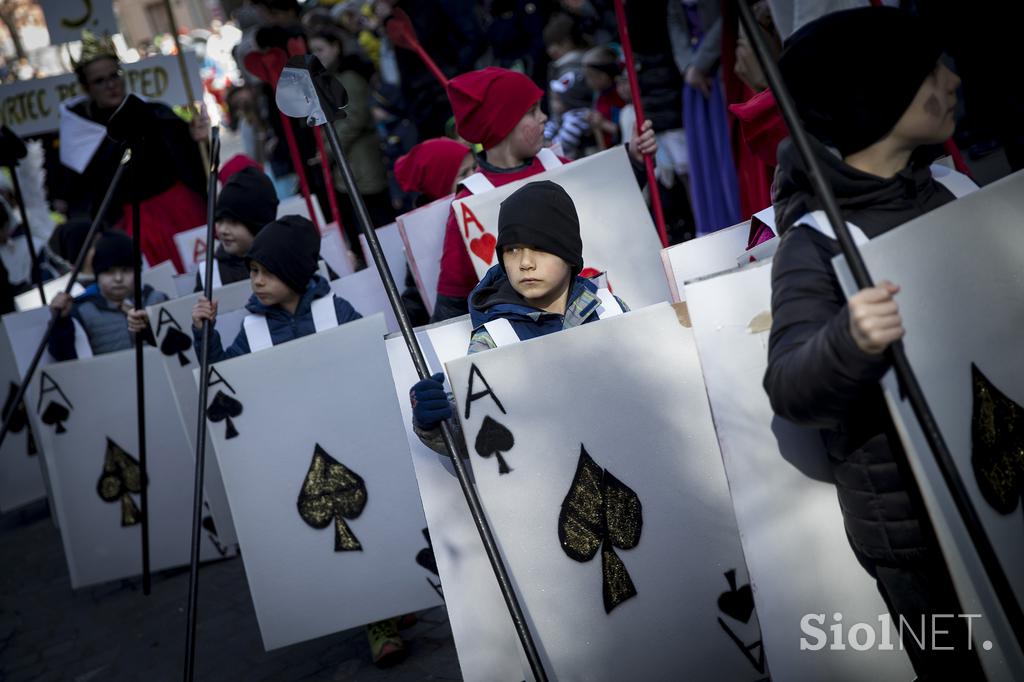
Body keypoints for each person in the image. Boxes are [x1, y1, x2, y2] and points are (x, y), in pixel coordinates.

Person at [763, 8, 982, 679]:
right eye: (927, 72)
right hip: (913, 534)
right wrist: (850, 340)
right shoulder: (816, 244)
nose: (951, 79)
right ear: (874, 100)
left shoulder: (949, 196)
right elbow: (790, 386)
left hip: (993, 479)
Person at [411, 180, 627, 450]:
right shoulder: (495, 340)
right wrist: (436, 423)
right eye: (512, 250)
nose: (525, 263)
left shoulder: (611, 309)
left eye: (539, 247)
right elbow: (475, 432)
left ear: (569, 254)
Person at [432, 66, 657, 322]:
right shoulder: (469, 202)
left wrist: (636, 163)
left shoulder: (557, 164)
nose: (543, 117)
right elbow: (451, 299)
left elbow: (606, 213)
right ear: (503, 125)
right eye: (531, 112)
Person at [55, 31, 209, 272]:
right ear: (86, 88)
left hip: (182, 210)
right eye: (99, 81)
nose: (111, 85)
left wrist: (198, 139)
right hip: (131, 227)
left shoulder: (156, 113)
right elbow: (82, 198)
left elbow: (196, 159)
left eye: (114, 75)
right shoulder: (80, 136)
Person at [191, 216, 360, 363]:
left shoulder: (338, 311)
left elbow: (373, 351)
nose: (257, 281)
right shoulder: (253, 328)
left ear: (295, 274)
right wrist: (204, 333)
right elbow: (225, 377)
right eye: (254, 270)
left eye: (269, 272)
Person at [309, 30, 393, 251]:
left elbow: (354, 119)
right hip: (348, 168)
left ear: (336, 46)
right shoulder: (328, 81)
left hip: (363, 164)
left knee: (379, 223)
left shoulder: (349, 79)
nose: (316, 56)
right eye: (312, 52)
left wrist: (327, 151)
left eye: (320, 49)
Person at [48, 231, 167, 360]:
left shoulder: (157, 299)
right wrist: (60, 322)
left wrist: (149, 327)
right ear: (97, 275)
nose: (118, 278)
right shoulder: (82, 311)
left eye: (126, 270)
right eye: (109, 272)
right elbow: (64, 356)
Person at [194, 167, 280, 292]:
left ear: (258, 226)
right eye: (219, 220)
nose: (223, 230)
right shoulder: (210, 273)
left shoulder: (285, 260)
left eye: (233, 222)